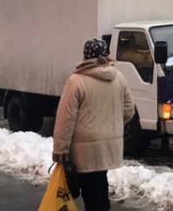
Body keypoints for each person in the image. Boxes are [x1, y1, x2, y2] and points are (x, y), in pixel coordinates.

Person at [52, 39, 134, 211]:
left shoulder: (76, 81)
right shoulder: (118, 78)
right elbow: (129, 110)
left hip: (84, 151)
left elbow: (65, 119)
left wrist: (60, 151)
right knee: (99, 189)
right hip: (108, 148)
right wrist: (112, 126)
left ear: (85, 56)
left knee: (81, 193)